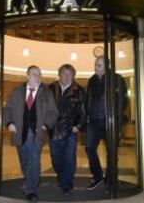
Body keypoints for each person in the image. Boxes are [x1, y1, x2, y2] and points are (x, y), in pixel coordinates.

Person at [3, 65, 58, 201]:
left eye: (39, 74)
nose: (36, 77)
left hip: (37, 133)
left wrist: (45, 125)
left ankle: (30, 190)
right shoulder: (16, 92)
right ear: (27, 75)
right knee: (24, 160)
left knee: (34, 159)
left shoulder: (46, 93)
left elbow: (53, 112)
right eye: (33, 74)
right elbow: (7, 109)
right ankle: (30, 181)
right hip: (19, 132)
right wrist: (9, 123)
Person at [85, 56, 128, 190]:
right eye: (95, 65)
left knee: (111, 152)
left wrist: (117, 120)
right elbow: (88, 99)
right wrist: (87, 115)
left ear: (106, 66)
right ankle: (98, 177)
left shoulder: (116, 79)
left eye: (98, 65)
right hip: (93, 121)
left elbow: (122, 100)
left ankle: (110, 180)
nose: (95, 68)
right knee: (89, 147)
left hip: (109, 121)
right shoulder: (92, 80)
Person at [48, 64, 86, 195]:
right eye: (64, 73)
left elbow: (84, 112)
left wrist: (78, 126)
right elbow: (44, 107)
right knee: (55, 157)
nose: (67, 76)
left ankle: (67, 184)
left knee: (69, 158)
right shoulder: (51, 88)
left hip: (70, 129)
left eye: (70, 74)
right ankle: (62, 176)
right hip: (53, 129)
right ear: (59, 74)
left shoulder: (79, 90)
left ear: (73, 75)